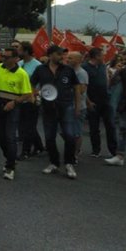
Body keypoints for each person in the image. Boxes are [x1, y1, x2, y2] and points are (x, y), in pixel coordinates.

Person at [30, 45, 81, 180]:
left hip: (66, 107)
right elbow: (31, 84)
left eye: (62, 55)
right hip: (48, 108)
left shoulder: (68, 70)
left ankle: (69, 163)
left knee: (70, 136)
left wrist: (77, 106)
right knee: (49, 137)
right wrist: (34, 95)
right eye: (59, 54)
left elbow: (77, 88)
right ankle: (54, 162)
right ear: (51, 55)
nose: (62, 57)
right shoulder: (40, 69)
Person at [0, 47, 32, 181]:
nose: (4, 59)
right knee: (0, 136)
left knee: (10, 137)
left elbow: (27, 94)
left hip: (13, 106)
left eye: (7, 57)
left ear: (15, 59)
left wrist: (14, 102)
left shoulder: (21, 74)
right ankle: (10, 158)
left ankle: (10, 166)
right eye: (3, 56)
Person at [82, 48, 117, 158]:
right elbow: (82, 87)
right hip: (93, 101)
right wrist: (88, 101)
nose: (104, 57)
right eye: (102, 55)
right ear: (96, 56)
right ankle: (96, 150)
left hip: (106, 100)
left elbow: (107, 81)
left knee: (110, 125)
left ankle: (113, 150)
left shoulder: (103, 66)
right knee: (94, 126)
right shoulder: (85, 68)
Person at [14, 41, 45, 159]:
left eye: (20, 49)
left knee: (28, 126)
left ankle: (25, 152)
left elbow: (41, 84)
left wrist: (36, 94)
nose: (18, 51)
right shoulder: (19, 64)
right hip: (20, 98)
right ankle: (39, 146)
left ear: (26, 51)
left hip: (32, 99)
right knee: (26, 126)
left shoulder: (37, 65)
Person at [67, 51, 88, 163]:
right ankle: (71, 150)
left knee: (76, 132)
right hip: (68, 105)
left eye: (70, 58)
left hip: (78, 106)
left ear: (78, 60)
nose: (67, 59)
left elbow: (82, 90)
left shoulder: (81, 73)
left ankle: (75, 154)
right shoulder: (68, 71)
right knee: (64, 130)